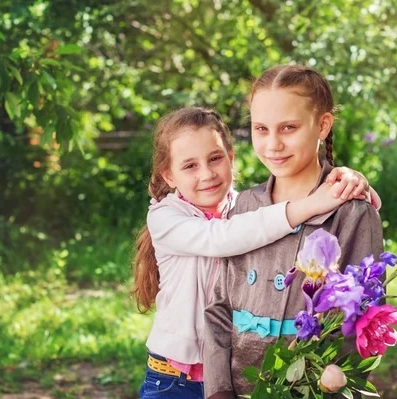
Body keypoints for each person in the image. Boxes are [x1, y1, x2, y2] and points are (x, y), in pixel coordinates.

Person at [132, 107, 378, 399]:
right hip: (174, 380)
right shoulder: (165, 218)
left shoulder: (245, 207)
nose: (207, 174)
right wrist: (313, 204)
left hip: (235, 374)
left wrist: (349, 183)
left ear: (231, 158)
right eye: (190, 166)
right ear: (168, 175)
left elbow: (281, 209)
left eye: (215, 158)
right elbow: (224, 238)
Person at [203, 65, 384, 399]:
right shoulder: (244, 206)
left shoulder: (352, 212)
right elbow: (217, 308)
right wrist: (218, 391)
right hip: (240, 387)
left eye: (288, 128)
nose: (273, 144)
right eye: (261, 128)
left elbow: (360, 320)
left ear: (323, 125)